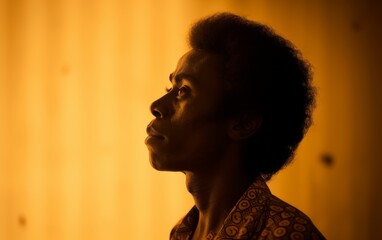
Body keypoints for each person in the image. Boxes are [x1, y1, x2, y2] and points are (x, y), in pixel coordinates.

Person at [145, 12, 325, 240]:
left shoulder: (289, 235)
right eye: (169, 89)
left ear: (243, 123)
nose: (156, 106)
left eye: (183, 91)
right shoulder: (182, 232)